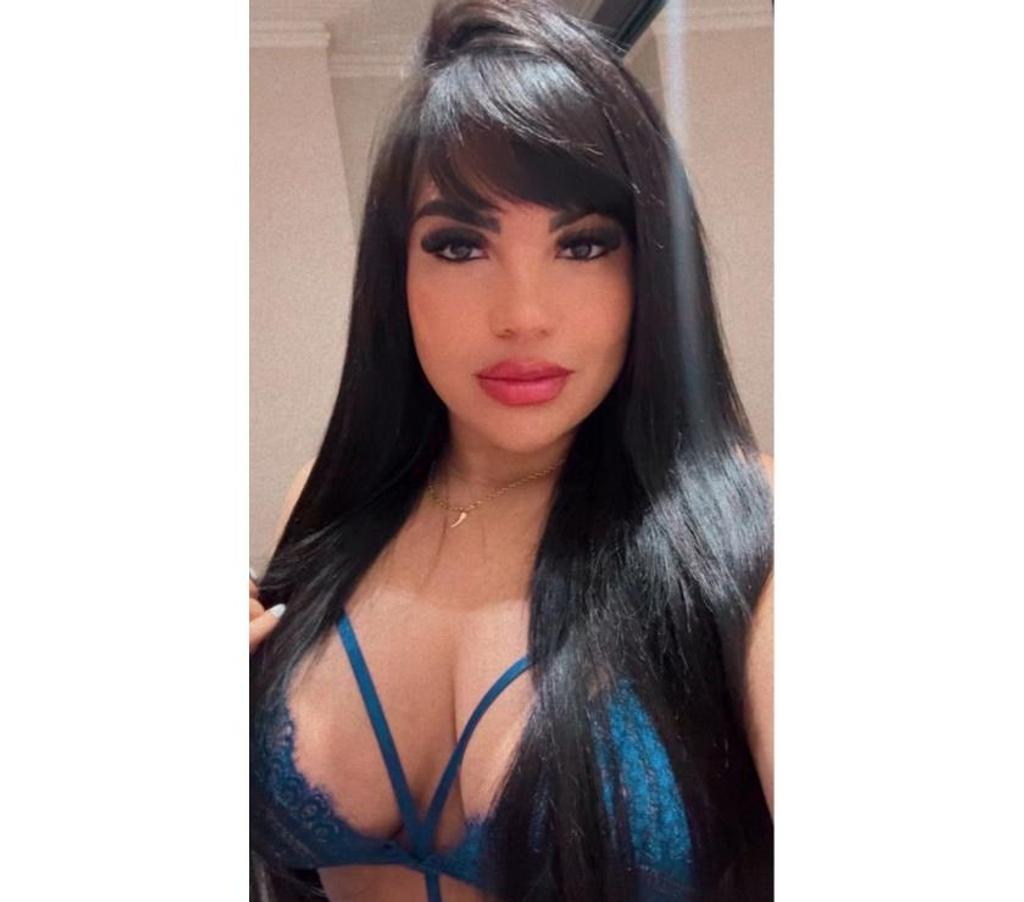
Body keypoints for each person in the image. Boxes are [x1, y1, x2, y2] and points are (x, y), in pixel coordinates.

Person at [250, 1, 773, 900]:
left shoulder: (750, 530)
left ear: (651, 267)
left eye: (584, 244)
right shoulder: (329, 500)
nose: (523, 314)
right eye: (459, 245)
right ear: (394, 276)